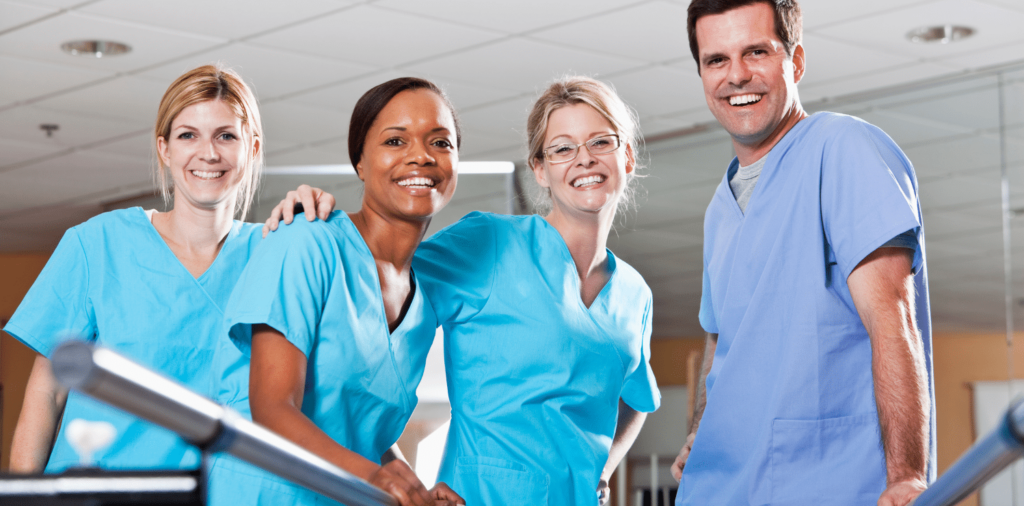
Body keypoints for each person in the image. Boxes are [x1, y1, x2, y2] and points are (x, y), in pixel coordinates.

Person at [4, 64, 333, 474]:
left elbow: (327, 391)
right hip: (94, 493)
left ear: (253, 148)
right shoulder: (99, 244)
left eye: (226, 136)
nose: (208, 153)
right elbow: (46, 393)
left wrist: (320, 224)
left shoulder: (273, 257)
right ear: (164, 148)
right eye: (187, 135)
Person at [669, 1, 933, 505]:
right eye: (716, 60)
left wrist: (906, 475)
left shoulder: (844, 150)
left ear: (797, 61)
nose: (737, 75)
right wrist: (703, 432)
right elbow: (722, 342)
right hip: (722, 486)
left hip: (827, 482)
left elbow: (891, 318)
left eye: (756, 52)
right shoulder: (719, 207)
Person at [214, 77, 464, 506]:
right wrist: (376, 479)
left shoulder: (422, 303)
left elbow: (363, 431)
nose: (421, 156)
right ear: (360, 163)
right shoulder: (305, 243)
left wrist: (412, 492)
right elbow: (272, 408)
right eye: (395, 141)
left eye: (440, 143)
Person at [413, 76, 659, 505]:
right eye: (563, 148)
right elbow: (381, 273)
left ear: (628, 157)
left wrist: (603, 469)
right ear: (541, 170)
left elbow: (638, 398)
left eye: (601, 142)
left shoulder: (634, 294)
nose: (584, 160)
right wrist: (317, 226)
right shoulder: (489, 244)